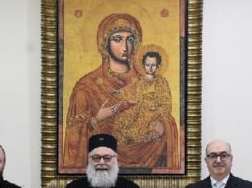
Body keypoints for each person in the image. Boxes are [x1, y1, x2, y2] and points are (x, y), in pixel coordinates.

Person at [62, 13, 179, 171]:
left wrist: (164, 123)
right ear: (104, 43)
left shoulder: (149, 82)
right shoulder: (87, 87)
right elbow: (73, 136)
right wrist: (97, 118)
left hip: (147, 156)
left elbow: (164, 110)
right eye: (117, 39)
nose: (125, 47)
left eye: (130, 40)